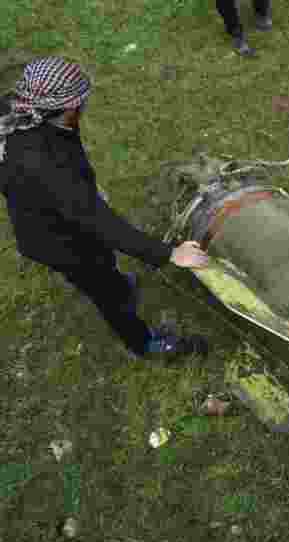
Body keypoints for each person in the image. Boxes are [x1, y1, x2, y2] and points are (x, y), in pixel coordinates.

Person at [0, 57, 211, 360]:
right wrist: (169, 253)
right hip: (57, 242)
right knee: (104, 290)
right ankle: (143, 343)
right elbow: (98, 222)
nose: (83, 108)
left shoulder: (22, 110)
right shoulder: (42, 165)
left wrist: (69, 190)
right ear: (69, 107)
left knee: (103, 263)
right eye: (80, 103)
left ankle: (117, 283)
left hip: (49, 212)